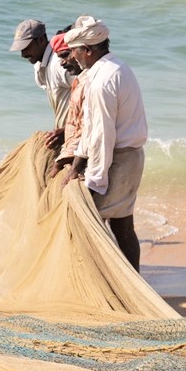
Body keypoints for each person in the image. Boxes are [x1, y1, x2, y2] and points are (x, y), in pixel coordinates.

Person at [64, 17, 147, 272]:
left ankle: (109, 285)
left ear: (88, 49)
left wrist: (95, 181)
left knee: (90, 223)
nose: (73, 57)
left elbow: (101, 136)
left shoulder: (101, 82)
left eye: (75, 52)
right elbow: (92, 130)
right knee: (123, 225)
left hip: (117, 160)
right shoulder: (117, 67)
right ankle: (132, 283)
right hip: (130, 157)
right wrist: (77, 164)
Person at [9, 19, 72, 148]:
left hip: (77, 134)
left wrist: (67, 130)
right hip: (66, 135)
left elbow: (90, 92)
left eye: (26, 47)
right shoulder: (40, 66)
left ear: (41, 40)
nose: (23, 54)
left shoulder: (59, 64)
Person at [46, 33, 86, 179]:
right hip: (75, 151)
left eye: (65, 55)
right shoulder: (79, 82)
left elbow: (88, 129)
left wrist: (72, 168)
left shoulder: (91, 83)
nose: (62, 63)